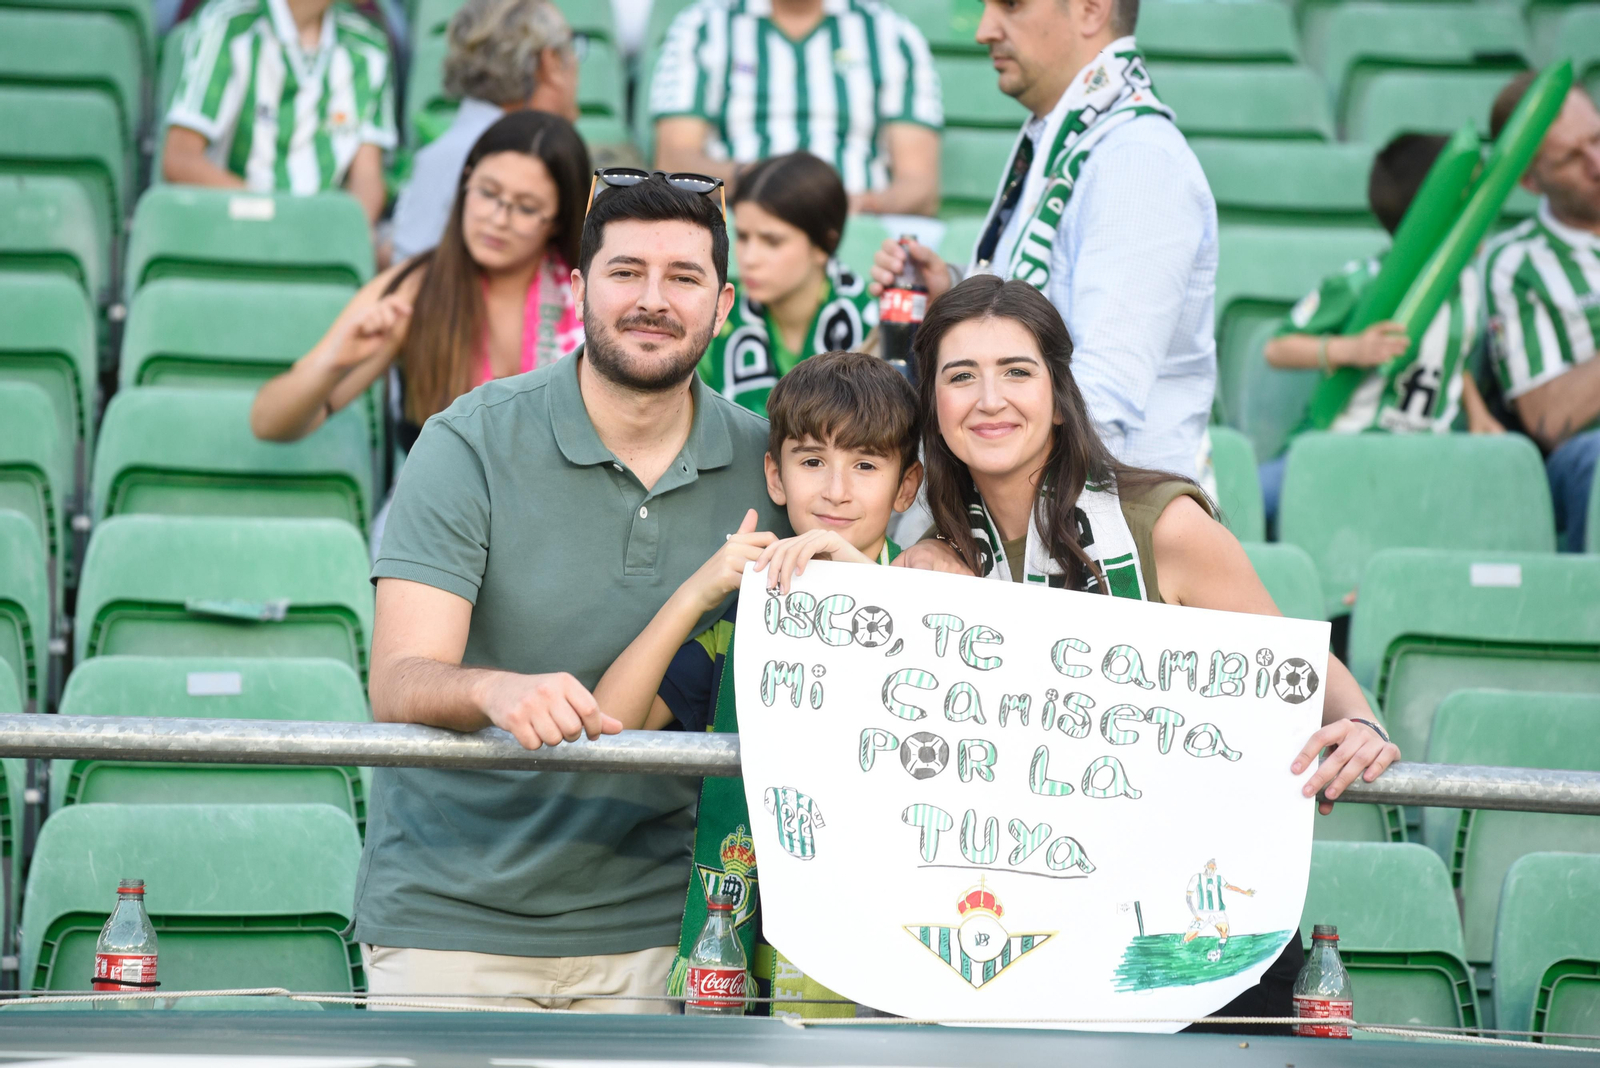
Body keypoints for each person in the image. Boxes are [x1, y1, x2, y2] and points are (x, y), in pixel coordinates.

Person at [899, 274, 1400, 1032]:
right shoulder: (933, 560)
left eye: (1017, 371)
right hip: (1024, 941)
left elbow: (1295, 669)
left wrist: (1364, 723)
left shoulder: (1161, 523)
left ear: (1061, 397)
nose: (989, 398)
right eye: (960, 375)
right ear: (933, 404)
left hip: (1193, 944)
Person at [353, 171, 789, 1011]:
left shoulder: (767, 462)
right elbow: (399, 677)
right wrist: (493, 689)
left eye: (684, 277)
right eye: (626, 272)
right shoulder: (467, 443)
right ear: (579, 287)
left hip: (666, 926)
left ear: (724, 303)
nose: (652, 299)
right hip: (454, 915)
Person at [593, 350, 922, 1018]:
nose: (836, 489)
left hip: (904, 956)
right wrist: (697, 592)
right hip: (763, 954)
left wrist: (868, 585)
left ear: (906, 488)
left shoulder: (934, 605)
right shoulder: (746, 619)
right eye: (811, 462)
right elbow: (608, 723)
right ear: (774, 475)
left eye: (865, 465)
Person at [871, 0, 1216, 481]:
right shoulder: (1075, 136)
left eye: (1011, 5)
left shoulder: (1137, 161)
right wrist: (950, 293)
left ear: (1092, 9)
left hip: (1109, 533)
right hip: (1043, 520)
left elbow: (1101, 398)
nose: (985, 30)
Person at [252, 111, 588, 455]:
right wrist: (333, 362)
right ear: (466, 182)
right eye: (488, 193)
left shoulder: (591, 295)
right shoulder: (415, 288)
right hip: (439, 504)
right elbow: (268, 423)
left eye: (526, 208)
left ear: (559, 220)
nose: (498, 219)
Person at [1257, 133, 1503, 523]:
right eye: (1468, 198)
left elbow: (1451, 356)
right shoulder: (1364, 282)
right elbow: (1278, 348)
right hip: (1342, 452)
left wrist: (1477, 413)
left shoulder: (1469, 286)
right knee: (1248, 500)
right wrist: (1348, 349)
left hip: (1427, 463)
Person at [648, 0, 943, 215]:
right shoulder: (702, 27)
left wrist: (862, 204)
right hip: (739, 219)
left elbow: (919, 186)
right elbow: (674, 158)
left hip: (857, 222)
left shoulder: (892, 35)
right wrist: (763, 182)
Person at [1482, 71, 1600, 552]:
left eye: (1597, 138)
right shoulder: (1518, 262)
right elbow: (1550, 422)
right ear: (1530, 180)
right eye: (1573, 156)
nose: (1596, 162)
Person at [163, 0, 395, 223]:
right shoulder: (228, 23)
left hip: (322, 244)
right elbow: (180, 159)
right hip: (234, 230)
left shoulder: (369, 44)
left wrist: (345, 231)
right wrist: (276, 220)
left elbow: (367, 176)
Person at [390, 0, 580, 261]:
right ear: (550, 62)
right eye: (572, 49)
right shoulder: (460, 155)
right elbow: (412, 285)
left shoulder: (446, 153)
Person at [699, 153, 878, 416]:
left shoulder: (875, 324)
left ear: (824, 245)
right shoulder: (713, 316)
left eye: (772, 241)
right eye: (743, 237)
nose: (749, 258)